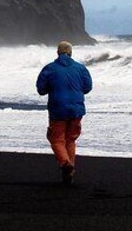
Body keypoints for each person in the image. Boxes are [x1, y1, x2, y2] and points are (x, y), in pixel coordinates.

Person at [36, 41, 93, 185]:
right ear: (71, 53)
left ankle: (66, 164)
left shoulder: (49, 68)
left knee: (56, 139)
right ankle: (70, 171)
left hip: (57, 108)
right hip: (76, 109)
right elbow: (87, 87)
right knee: (71, 139)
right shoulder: (81, 68)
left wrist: (54, 87)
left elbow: (41, 89)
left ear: (57, 53)